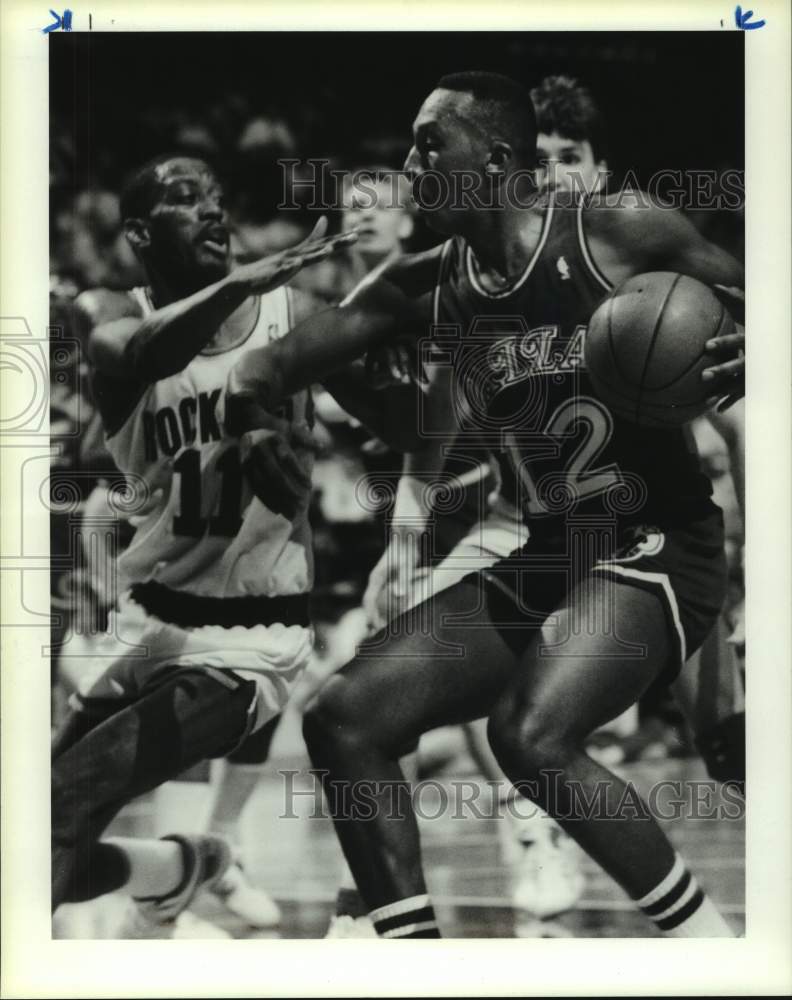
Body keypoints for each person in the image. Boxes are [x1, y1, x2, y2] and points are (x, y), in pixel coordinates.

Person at [228, 72, 745, 938]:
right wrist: (251, 420)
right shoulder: (423, 285)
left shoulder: (614, 230)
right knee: (344, 718)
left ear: (498, 158)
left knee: (532, 734)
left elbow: (750, 295)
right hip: (549, 550)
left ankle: (712, 947)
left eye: (432, 143)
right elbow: (269, 368)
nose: (411, 163)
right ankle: (411, 950)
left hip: (657, 539)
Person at [51, 153, 367, 937]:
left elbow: (347, 430)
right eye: (186, 200)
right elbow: (141, 354)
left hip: (250, 637)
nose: (212, 211)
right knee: (30, 833)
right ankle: (181, 867)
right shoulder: (103, 309)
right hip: (148, 622)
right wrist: (238, 284)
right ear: (138, 231)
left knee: (63, 803)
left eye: (217, 198)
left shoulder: (286, 314)